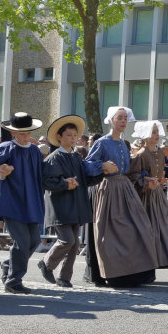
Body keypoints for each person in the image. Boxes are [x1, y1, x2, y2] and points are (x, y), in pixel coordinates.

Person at [84, 106, 159, 288]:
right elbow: (87, 165)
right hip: (109, 189)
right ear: (111, 120)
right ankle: (113, 274)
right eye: (119, 118)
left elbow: (129, 169)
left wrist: (145, 178)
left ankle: (134, 272)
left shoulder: (123, 144)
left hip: (125, 188)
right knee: (110, 233)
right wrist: (103, 166)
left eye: (125, 118)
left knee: (139, 228)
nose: (123, 121)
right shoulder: (102, 142)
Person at [39, 114, 112, 288]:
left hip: (75, 204)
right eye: (68, 135)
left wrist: (103, 173)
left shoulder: (76, 157)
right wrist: (65, 184)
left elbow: (86, 180)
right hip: (60, 205)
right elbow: (47, 181)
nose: (72, 139)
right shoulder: (54, 157)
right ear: (59, 137)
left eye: (74, 135)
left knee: (74, 243)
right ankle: (46, 264)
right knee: (67, 240)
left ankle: (64, 277)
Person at [0, 113, 46, 294]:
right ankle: (13, 281)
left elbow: (41, 174)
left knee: (34, 241)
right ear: (13, 133)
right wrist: (0, 172)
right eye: (21, 133)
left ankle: (8, 264)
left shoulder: (34, 150)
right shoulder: (6, 148)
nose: (26, 136)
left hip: (31, 201)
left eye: (28, 132)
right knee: (22, 241)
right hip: (11, 201)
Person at [129, 121, 168, 280]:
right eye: (152, 132)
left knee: (164, 230)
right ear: (144, 135)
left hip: (157, 196)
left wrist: (160, 180)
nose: (156, 135)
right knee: (149, 233)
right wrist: (147, 181)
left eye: (157, 132)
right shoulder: (139, 155)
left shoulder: (160, 153)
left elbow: (161, 173)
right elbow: (133, 177)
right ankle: (149, 271)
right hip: (145, 197)